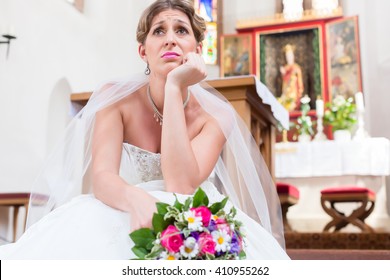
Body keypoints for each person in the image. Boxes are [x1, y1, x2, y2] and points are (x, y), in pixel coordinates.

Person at [0, 0, 289, 260]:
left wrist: (175, 86)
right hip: (123, 200)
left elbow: (180, 185)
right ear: (143, 50)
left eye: (182, 31)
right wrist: (136, 199)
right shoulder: (115, 97)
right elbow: (102, 177)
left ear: (197, 51)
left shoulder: (217, 114)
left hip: (191, 213)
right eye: (159, 31)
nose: (171, 40)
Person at [278, 44, 304, 112]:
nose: (288, 58)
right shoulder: (285, 68)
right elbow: (283, 82)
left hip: (293, 93)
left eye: (290, 55)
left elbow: (299, 83)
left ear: (293, 56)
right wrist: (283, 74)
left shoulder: (296, 68)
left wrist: (299, 93)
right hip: (285, 92)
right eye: (287, 56)